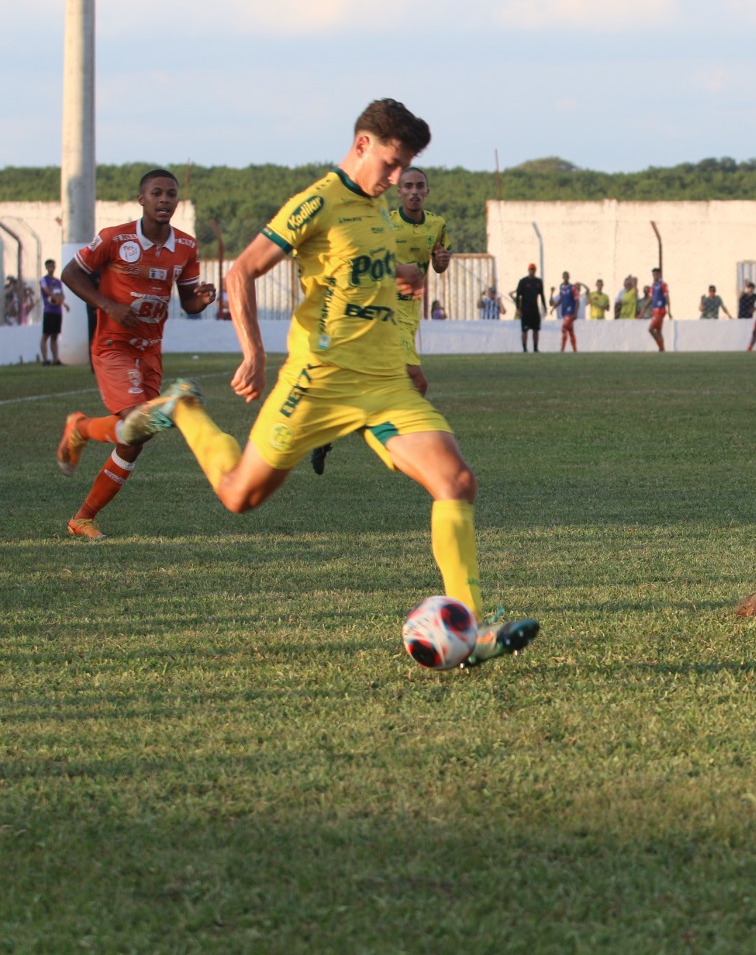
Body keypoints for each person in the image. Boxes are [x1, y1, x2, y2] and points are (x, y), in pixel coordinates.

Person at [130, 98, 537, 667]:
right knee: (238, 496)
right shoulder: (317, 202)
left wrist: (405, 274)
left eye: (407, 170)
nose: (397, 180)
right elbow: (241, 270)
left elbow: (364, 264)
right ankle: (184, 408)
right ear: (363, 144)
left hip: (383, 382)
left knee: (457, 481)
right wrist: (254, 352)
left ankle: (471, 630)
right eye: (392, 165)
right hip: (317, 382)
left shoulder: (376, 210)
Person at [52, 168, 216, 539]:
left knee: (136, 437)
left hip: (150, 350)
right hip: (114, 345)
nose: (164, 200)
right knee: (136, 421)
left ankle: (82, 516)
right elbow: (71, 274)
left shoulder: (186, 247)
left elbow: (188, 303)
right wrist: (107, 306)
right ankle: (79, 437)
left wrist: (200, 300)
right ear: (141, 199)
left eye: (171, 194)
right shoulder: (115, 238)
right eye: (156, 193)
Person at [386, 166, 450, 396]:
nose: (414, 191)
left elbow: (438, 265)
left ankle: (390, 425)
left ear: (427, 191)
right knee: (418, 382)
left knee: (393, 381)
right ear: (399, 191)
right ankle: (412, 428)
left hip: (411, 311)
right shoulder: (386, 224)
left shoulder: (436, 225)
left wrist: (442, 261)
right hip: (386, 309)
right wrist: (398, 270)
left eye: (420, 186)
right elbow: (371, 263)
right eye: (408, 186)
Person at [38, 258, 69, 365]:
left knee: (55, 335)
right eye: (49, 266)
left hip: (57, 311)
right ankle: (45, 359)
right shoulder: (44, 280)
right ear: (46, 267)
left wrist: (60, 300)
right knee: (46, 335)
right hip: (49, 311)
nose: (52, 268)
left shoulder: (58, 282)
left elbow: (62, 294)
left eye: (53, 266)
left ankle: (56, 359)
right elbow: (48, 292)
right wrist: (60, 301)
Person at [514, 262, 546, 352]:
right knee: (525, 330)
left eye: (533, 269)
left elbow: (542, 295)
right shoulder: (523, 281)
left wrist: (545, 307)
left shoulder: (538, 282)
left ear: (535, 270)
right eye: (530, 269)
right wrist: (518, 308)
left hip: (535, 309)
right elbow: (518, 296)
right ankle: (524, 348)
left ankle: (535, 348)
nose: (532, 271)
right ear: (528, 270)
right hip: (525, 309)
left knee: (536, 329)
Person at [551, 271, 581, 352]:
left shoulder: (573, 288)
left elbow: (577, 300)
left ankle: (562, 349)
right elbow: (561, 299)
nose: (565, 278)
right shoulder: (562, 288)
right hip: (564, 313)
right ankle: (575, 350)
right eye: (564, 276)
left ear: (569, 277)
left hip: (570, 312)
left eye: (567, 276)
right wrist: (553, 308)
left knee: (564, 329)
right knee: (570, 331)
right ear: (562, 277)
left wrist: (576, 312)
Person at [648, 267, 671, 351]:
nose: (655, 276)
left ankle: (661, 347)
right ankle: (662, 349)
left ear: (660, 275)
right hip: (655, 310)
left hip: (660, 310)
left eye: (656, 274)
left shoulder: (663, 285)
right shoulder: (653, 285)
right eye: (653, 275)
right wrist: (644, 309)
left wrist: (669, 310)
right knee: (658, 331)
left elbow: (667, 297)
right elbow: (651, 298)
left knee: (650, 329)